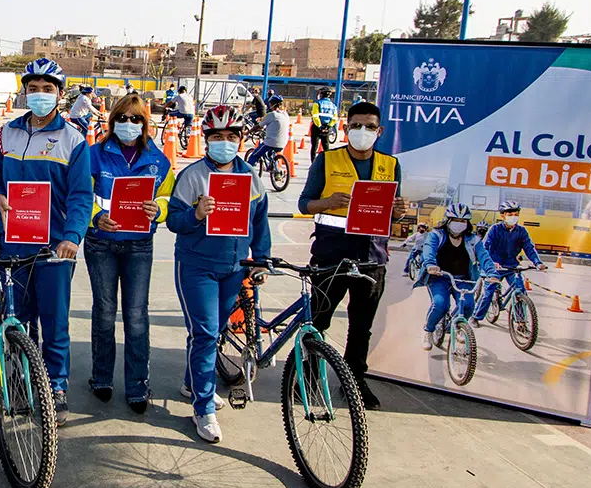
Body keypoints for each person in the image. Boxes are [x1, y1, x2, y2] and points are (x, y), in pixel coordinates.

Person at [0, 57, 92, 426]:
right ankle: (19, 375)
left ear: (60, 95)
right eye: (34, 89)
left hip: (54, 247)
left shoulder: (73, 140)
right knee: (17, 315)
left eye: (48, 89)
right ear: (24, 92)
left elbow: (81, 196)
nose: (40, 95)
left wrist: (72, 237)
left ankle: (56, 386)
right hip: (14, 241)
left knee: (54, 320)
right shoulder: (6, 133)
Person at [168, 106, 272, 443]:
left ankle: (191, 383)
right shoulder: (192, 175)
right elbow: (173, 222)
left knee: (211, 332)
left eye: (231, 137)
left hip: (234, 268)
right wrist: (197, 214)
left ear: (240, 140)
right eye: (216, 137)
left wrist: (261, 260)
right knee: (206, 333)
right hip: (197, 266)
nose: (224, 142)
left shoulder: (251, 177)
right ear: (207, 139)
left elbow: (260, 221)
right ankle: (203, 408)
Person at [297, 101, 407, 410]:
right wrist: (328, 201)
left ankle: (354, 380)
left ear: (379, 131)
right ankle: (307, 377)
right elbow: (304, 204)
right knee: (319, 320)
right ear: (346, 128)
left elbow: (391, 215)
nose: (363, 132)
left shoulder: (390, 164)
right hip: (331, 254)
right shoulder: (327, 160)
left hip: (372, 256)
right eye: (356, 126)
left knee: (361, 326)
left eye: (370, 127)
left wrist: (398, 213)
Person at [85, 94, 174, 414]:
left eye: (135, 119)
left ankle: (138, 385)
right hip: (100, 243)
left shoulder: (157, 159)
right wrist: (96, 216)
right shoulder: (94, 154)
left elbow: (168, 196)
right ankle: (101, 378)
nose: (128, 124)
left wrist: (158, 210)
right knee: (105, 312)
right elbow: (81, 194)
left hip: (139, 245)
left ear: (145, 125)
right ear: (112, 122)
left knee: (137, 316)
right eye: (122, 118)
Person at [414, 203, 499, 350]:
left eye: (463, 221)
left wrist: (491, 272)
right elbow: (429, 250)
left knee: (468, 305)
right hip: (439, 277)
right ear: (448, 220)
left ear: (467, 223)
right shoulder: (437, 235)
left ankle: (456, 325)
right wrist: (430, 264)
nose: (459, 224)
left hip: (463, 278)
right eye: (455, 220)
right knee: (440, 305)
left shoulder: (473, 239)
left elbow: (484, 256)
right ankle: (428, 330)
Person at [471, 201, 547, 327]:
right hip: (494, 267)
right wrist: (491, 263)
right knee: (488, 293)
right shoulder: (495, 229)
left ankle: (521, 323)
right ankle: (476, 317)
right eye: (510, 214)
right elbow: (484, 248)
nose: (513, 216)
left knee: (520, 291)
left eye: (516, 214)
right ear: (503, 216)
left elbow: (529, 248)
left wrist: (538, 262)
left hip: (511, 266)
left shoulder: (521, 231)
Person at [245, 95, 289, 166]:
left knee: (254, 155)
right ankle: (273, 167)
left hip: (271, 142)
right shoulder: (285, 114)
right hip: (283, 143)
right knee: (270, 153)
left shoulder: (272, 115)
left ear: (272, 104)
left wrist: (248, 132)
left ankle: (247, 171)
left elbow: (258, 126)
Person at [309, 87, 338, 161]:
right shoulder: (333, 106)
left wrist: (319, 126)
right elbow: (334, 118)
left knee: (314, 147)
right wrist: (328, 127)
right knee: (326, 147)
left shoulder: (317, 103)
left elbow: (315, 116)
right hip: (327, 128)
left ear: (321, 94)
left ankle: (313, 164)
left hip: (317, 127)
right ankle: (327, 163)